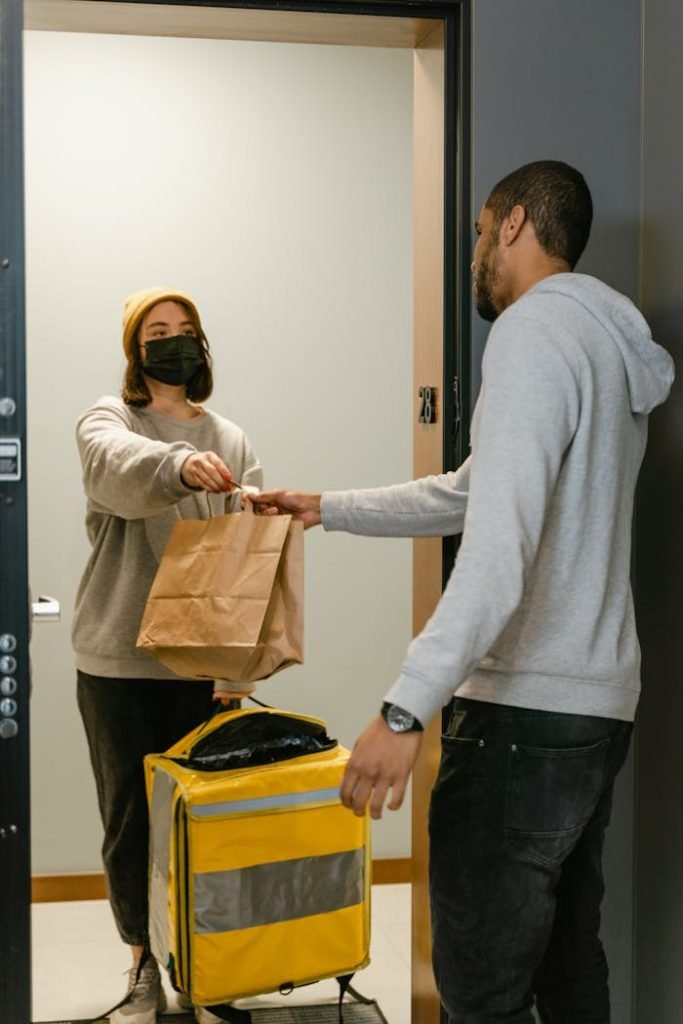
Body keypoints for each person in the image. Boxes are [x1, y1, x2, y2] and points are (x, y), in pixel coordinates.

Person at [249, 161, 675, 1023]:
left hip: (520, 716)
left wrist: (405, 709)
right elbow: (471, 492)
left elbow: (497, 547)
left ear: (513, 223)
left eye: (481, 231)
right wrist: (326, 509)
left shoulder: (530, 334)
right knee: (565, 968)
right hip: (595, 710)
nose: (478, 250)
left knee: (480, 988)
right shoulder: (602, 345)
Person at [73, 287, 262, 1024]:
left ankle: (205, 969)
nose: (173, 341)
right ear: (135, 350)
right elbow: (116, 470)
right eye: (157, 331)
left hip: (200, 670)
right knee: (129, 823)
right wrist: (181, 466)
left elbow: (247, 564)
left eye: (185, 330)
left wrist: (235, 673)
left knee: (203, 825)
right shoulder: (107, 420)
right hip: (117, 660)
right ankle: (143, 964)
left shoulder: (234, 439)